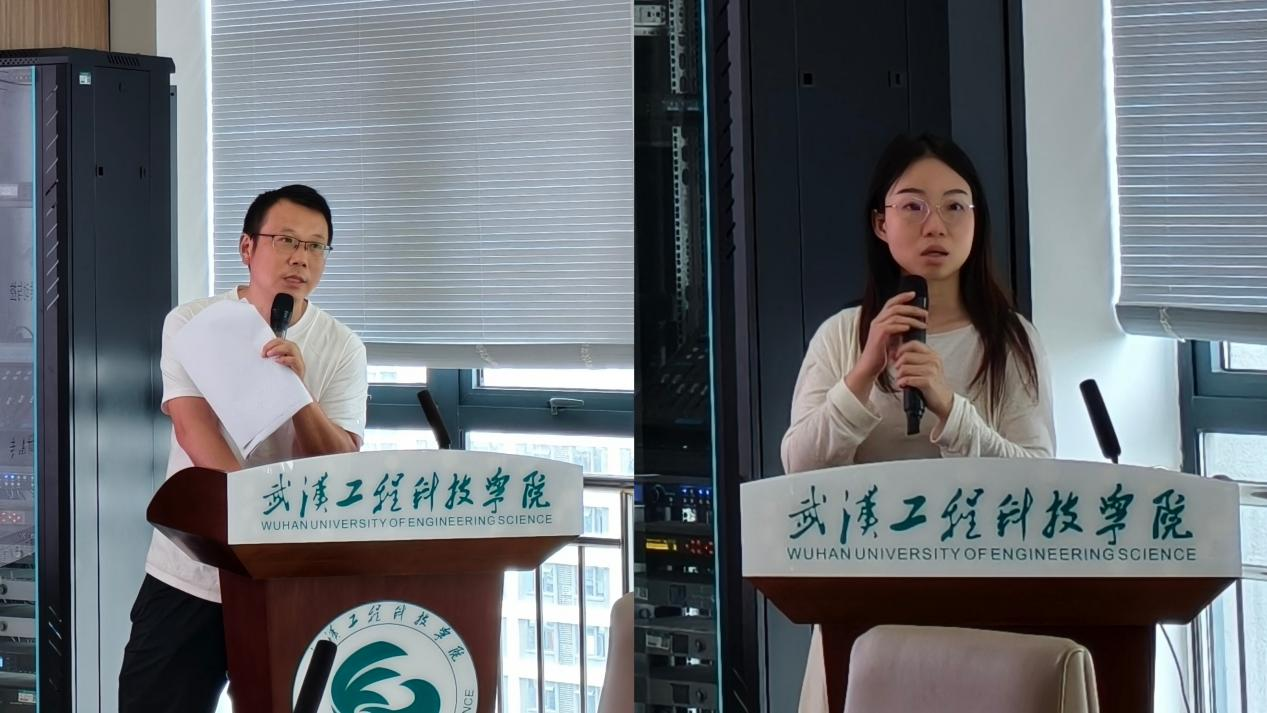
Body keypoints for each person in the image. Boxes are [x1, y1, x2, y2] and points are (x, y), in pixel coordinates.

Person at [779, 134, 1056, 712]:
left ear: (976, 221)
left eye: (955, 206)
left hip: (979, 601)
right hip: (859, 598)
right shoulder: (840, 335)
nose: (936, 225)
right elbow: (798, 467)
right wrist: (864, 370)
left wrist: (950, 408)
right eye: (913, 206)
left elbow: (1036, 481)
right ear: (881, 223)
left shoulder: (1011, 341)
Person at [118, 185, 368, 713]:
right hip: (190, 570)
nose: (301, 257)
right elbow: (194, 432)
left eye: (316, 246)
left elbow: (339, 464)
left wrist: (297, 392)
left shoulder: (342, 345)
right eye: (287, 240)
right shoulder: (192, 322)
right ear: (247, 247)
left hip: (289, 577)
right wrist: (255, 523)